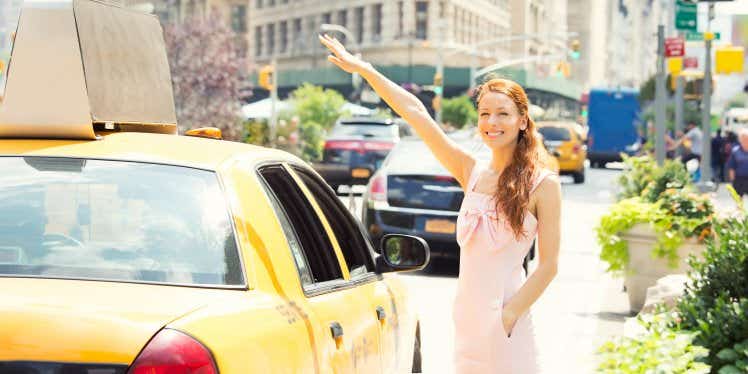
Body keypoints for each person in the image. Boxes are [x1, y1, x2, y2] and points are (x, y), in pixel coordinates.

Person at [320, 34, 562, 373]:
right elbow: (417, 112)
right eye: (485, 113)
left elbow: (548, 266)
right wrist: (365, 70)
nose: (492, 123)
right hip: (466, 320)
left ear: (522, 120)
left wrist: (506, 317)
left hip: (507, 322)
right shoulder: (471, 171)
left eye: (503, 114)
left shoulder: (544, 184)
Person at [726, 129, 748, 197]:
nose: (745, 140)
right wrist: (733, 181)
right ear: (740, 140)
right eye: (743, 138)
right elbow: (731, 167)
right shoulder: (735, 151)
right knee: (738, 199)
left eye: (746, 138)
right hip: (739, 179)